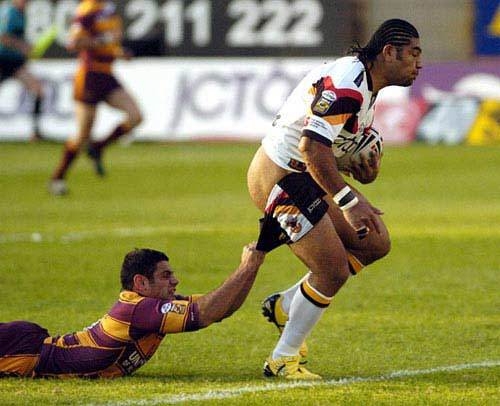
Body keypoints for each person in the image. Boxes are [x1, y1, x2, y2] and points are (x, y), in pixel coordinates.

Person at [248, 19, 422, 379]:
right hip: (281, 176)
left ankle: (286, 306)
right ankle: (283, 359)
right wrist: (348, 201)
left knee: (374, 242)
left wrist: (363, 171)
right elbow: (311, 147)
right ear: (389, 52)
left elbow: (332, 151)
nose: (419, 64)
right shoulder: (348, 84)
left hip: (306, 176)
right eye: (414, 54)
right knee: (332, 269)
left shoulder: (367, 87)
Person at [0, 242, 265, 378]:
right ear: (141, 283)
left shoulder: (151, 306)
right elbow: (206, 313)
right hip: (25, 351)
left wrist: (254, 264)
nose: (175, 281)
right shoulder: (138, 309)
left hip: (32, 346)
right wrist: (247, 266)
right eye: (166, 275)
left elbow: (220, 309)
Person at [49, 0, 142, 196]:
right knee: (82, 135)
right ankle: (57, 178)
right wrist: (103, 40)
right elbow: (74, 43)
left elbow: (111, 42)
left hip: (107, 74)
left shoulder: (109, 9)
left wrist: (119, 52)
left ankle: (99, 147)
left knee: (136, 116)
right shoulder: (87, 10)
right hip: (89, 76)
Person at [0, 0, 45, 141]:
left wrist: (25, 51)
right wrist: (23, 46)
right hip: (2, 60)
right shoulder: (9, 11)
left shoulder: (21, 13)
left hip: (15, 64)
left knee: (38, 90)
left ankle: (35, 132)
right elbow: (3, 37)